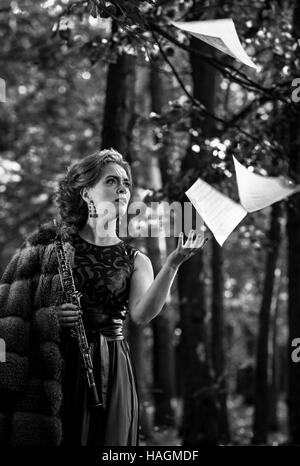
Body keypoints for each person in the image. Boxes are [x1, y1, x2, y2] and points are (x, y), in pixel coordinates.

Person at [0, 148, 206, 447]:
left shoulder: (136, 259)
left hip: (113, 368)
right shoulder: (45, 245)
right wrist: (49, 318)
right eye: (111, 181)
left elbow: (141, 315)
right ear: (85, 193)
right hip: (55, 371)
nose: (122, 188)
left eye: (125, 183)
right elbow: (8, 316)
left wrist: (173, 263)